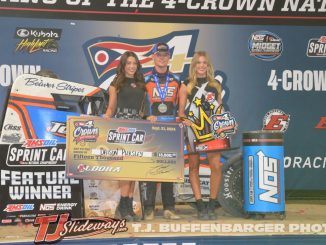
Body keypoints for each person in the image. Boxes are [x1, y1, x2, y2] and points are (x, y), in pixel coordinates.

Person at [178, 51, 223, 220]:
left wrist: (227, 122)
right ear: (194, 66)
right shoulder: (187, 85)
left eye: (204, 63)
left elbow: (220, 109)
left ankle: (212, 203)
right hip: (193, 131)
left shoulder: (216, 85)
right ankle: (199, 203)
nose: (202, 66)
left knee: (216, 166)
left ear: (208, 65)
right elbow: (181, 112)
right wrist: (185, 120)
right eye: (198, 63)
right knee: (194, 166)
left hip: (212, 131)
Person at [103, 51, 147, 221]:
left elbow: (143, 108)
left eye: (134, 63)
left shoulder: (141, 84)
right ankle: (123, 206)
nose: (131, 66)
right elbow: (111, 107)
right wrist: (107, 115)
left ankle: (127, 207)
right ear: (123, 65)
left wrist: (148, 117)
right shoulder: (116, 84)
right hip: (122, 128)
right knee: (125, 169)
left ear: (137, 65)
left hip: (138, 127)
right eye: (128, 63)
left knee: (134, 169)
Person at [140, 42, 181, 220]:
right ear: (153, 57)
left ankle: (169, 208)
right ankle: (148, 208)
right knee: (151, 170)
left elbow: (181, 106)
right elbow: (140, 106)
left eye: (165, 55)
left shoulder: (177, 80)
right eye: (158, 54)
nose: (162, 57)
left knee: (169, 169)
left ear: (169, 57)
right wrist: (146, 117)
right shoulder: (145, 80)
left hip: (171, 129)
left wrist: (180, 118)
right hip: (151, 129)